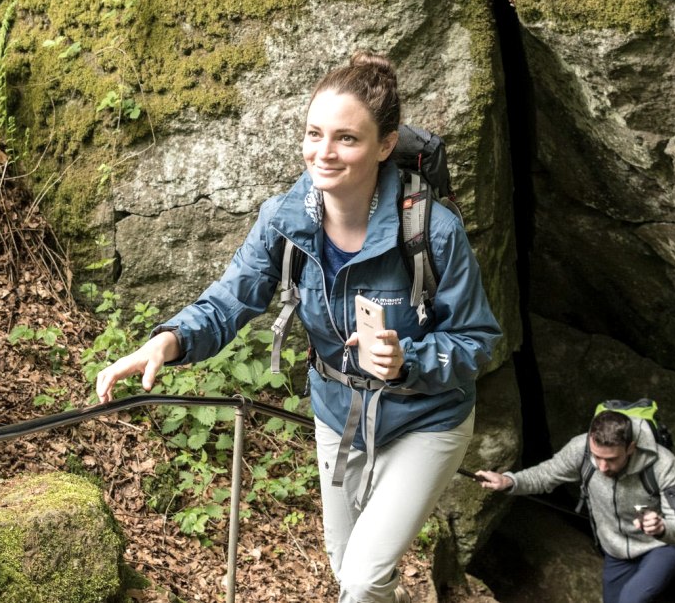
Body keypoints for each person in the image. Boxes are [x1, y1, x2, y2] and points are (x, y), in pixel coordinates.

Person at [96, 50, 501, 603]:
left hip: (427, 416)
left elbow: (477, 340)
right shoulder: (285, 221)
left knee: (362, 579)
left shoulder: (432, 230)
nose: (323, 152)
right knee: (347, 566)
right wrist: (168, 342)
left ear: (385, 145)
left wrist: (407, 359)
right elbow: (230, 298)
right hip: (338, 410)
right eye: (314, 134)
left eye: (346, 138)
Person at [473, 410, 675, 603]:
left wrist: (662, 528)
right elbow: (545, 475)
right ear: (591, 440)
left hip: (661, 545)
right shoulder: (581, 449)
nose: (602, 466)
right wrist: (509, 481)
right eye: (597, 456)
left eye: (611, 459)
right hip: (616, 550)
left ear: (631, 448)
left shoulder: (662, 464)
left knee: (630, 599)